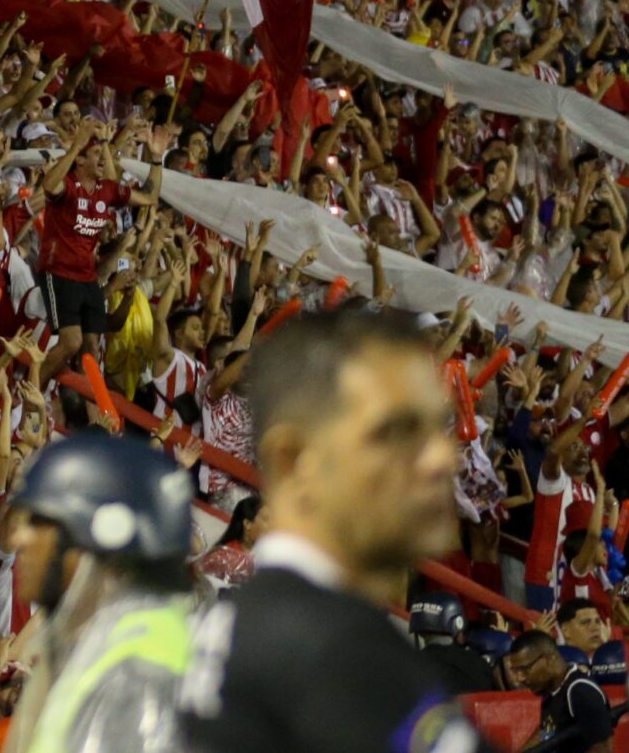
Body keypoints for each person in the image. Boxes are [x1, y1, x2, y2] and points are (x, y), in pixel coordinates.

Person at [177, 309, 481, 752]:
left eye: (440, 427)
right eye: (398, 430)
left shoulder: (274, 628)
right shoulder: (321, 654)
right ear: (294, 458)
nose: (442, 459)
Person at [0, 431, 192, 753]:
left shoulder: (136, 674)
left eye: (37, 522)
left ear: (101, 533)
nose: (19, 538)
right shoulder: (97, 644)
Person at [501, 629, 613, 753]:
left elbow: (604, 749)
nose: (519, 678)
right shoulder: (551, 690)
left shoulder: (581, 691)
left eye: (525, 669)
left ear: (549, 659)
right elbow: (547, 733)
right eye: (516, 671)